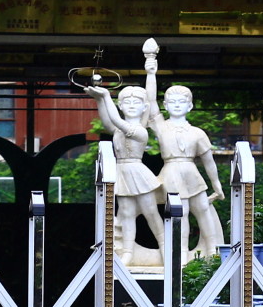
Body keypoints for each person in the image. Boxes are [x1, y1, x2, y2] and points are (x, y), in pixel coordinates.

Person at [82, 49, 165, 262]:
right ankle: (128, 251)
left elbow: (117, 121)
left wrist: (106, 96)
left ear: (144, 107)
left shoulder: (140, 131)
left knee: (150, 212)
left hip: (138, 172)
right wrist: (99, 100)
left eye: (136, 103)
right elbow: (108, 122)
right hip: (121, 172)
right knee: (126, 213)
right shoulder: (119, 129)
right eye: (127, 102)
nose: (131, 106)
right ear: (120, 105)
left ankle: (165, 246)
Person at [154, 79, 227, 261]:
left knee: (203, 208)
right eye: (172, 102)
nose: (177, 105)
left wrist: (216, 184)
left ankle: (213, 250)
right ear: (165, 105)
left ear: (190, 106)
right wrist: (151, 74)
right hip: (171, 172)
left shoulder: (197, 133)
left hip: (191, 172)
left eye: (181, 101)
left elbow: (209, 161)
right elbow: (150, 102)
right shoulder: (161, 127)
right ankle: (181, 252)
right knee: (181, 211)